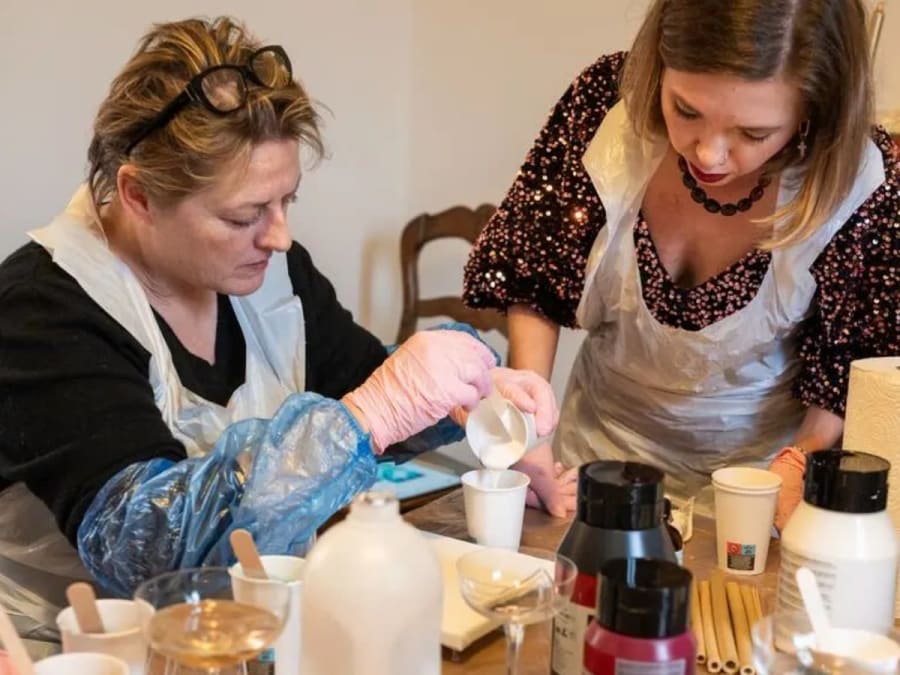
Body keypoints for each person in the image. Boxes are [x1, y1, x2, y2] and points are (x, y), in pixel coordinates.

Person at [0, 17, 558, 638]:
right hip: (74, 649)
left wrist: (469, 393)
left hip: (245, 631)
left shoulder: (270, 272)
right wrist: (374, 411)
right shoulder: (41, 309)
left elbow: (363, 384)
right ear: (137, 196)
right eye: (244, 215)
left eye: (286, 201)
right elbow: (147, 549)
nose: (278, 235)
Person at [464, 0, 898, 524]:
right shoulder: (607, 106)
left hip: (754, 493)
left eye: (753, 133)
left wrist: (797, 462)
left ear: (814, 113)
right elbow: (534, 274)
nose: (709, 154)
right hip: (590, 469)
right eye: (686, 110)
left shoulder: (862, 184)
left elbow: (852, 366)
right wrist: (527, 427)